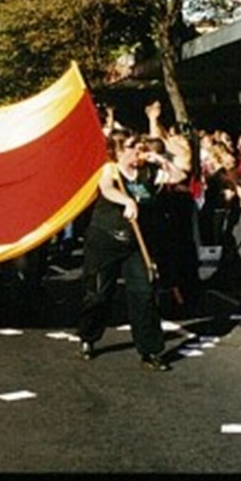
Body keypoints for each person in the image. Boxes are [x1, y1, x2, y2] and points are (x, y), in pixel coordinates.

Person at [77, 131, 185, 371]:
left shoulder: (147, 172)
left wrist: (161, 160)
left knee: (144, 293)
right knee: (99, 294)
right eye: (132, 147)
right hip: (105, 240)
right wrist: (126, 201)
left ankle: (150, 350)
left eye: (140, 146)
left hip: (135, 243)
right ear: (118, 151)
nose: (138, 150)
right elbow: (106, 189)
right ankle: (88, 336)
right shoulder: (110, 170)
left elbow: (179, 176)